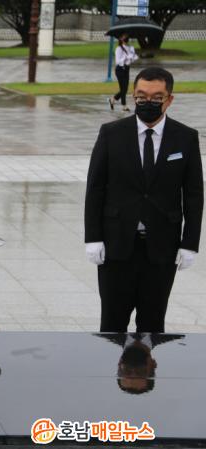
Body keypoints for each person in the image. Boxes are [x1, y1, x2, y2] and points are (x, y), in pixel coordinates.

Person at [85, 67, 203, 333]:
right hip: (117, 245)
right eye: (141, 96)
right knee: (112, 324)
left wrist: (190, 243)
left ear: (169, 99)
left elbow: (194, 195)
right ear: (133, 96)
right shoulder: (111, 133)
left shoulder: (186, 138)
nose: (147, 102)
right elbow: (95, 189)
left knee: (152, 325)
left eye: (156, 97)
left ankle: (147, 362)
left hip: (162, 248)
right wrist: (92, 238)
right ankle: (113, 363)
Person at [95, 333, 183, 394]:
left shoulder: (102, 335)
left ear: (119, 364)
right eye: (141, 371)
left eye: (127, 370)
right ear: (153, 364)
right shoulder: (177, 336)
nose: (134, 367)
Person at [109, 33, 139, 113]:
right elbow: (118, 61)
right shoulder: (118, 49)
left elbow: (133, 58)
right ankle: (124, 106)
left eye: (126, 36)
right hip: (120, 69)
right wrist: (126, 57)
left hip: (127, 69)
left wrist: (133, 57)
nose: (126, 38)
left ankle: (113, 99)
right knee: (123, 88)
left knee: (125, 88)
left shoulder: (130, 48)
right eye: (123, 37)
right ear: (121, 39)